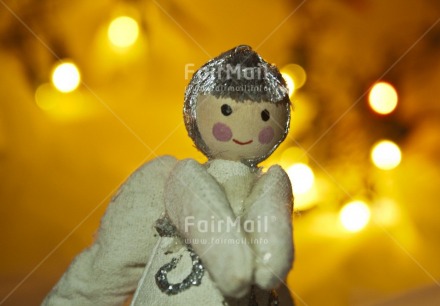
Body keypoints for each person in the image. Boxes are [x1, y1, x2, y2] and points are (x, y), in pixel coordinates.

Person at [44, 45, 294, 306]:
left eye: (265, 115)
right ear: (196, 112)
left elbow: (272, 243)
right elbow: (112, 264)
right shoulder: (176, 179)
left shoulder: (272, 186)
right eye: (227, 111)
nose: (245, 129)